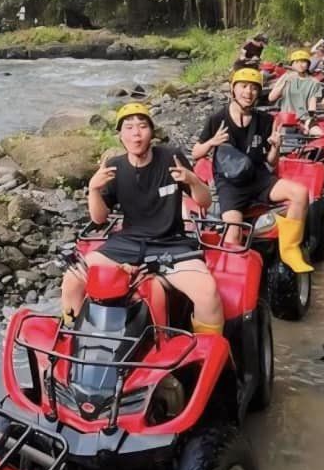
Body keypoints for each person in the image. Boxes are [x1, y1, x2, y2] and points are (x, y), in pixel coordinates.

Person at [60, 103, 225, 335]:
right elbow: (99, 218)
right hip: (127, 243)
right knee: (72, 280)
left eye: (142, 126)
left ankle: (207, 351)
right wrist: (94, 190)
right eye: (129, 127)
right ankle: (73, 341)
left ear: (152, 132)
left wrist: (193, 181)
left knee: (208, 293)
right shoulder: (114, 167)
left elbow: (205, 202)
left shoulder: (171, 157)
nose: (136, 134)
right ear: (120, 135)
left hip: (170, 243)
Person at [191, 69, 314, 273]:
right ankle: (234, 274)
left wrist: (275, 148)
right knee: (233, 234)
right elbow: (196, 153)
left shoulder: (265, 120)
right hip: (230, 184)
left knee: (300, 193)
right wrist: (212, 142)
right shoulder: (217, 119)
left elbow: (271, 163)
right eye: (244, 86)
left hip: (259, 178)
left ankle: (290, 249)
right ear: (233, 89)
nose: (248, 92)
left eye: (254, 88)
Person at [269, 49, 324, 135]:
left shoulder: (314, 82)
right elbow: (271, 98)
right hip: (286, 118)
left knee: (319, 133)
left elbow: (312, 104)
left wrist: (310, 120)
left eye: (303, 62)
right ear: (292, 64)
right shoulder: (286, 77)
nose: (300, 65)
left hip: (304, 118)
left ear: (308, 64)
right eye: (296, 62)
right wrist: (285, 82)